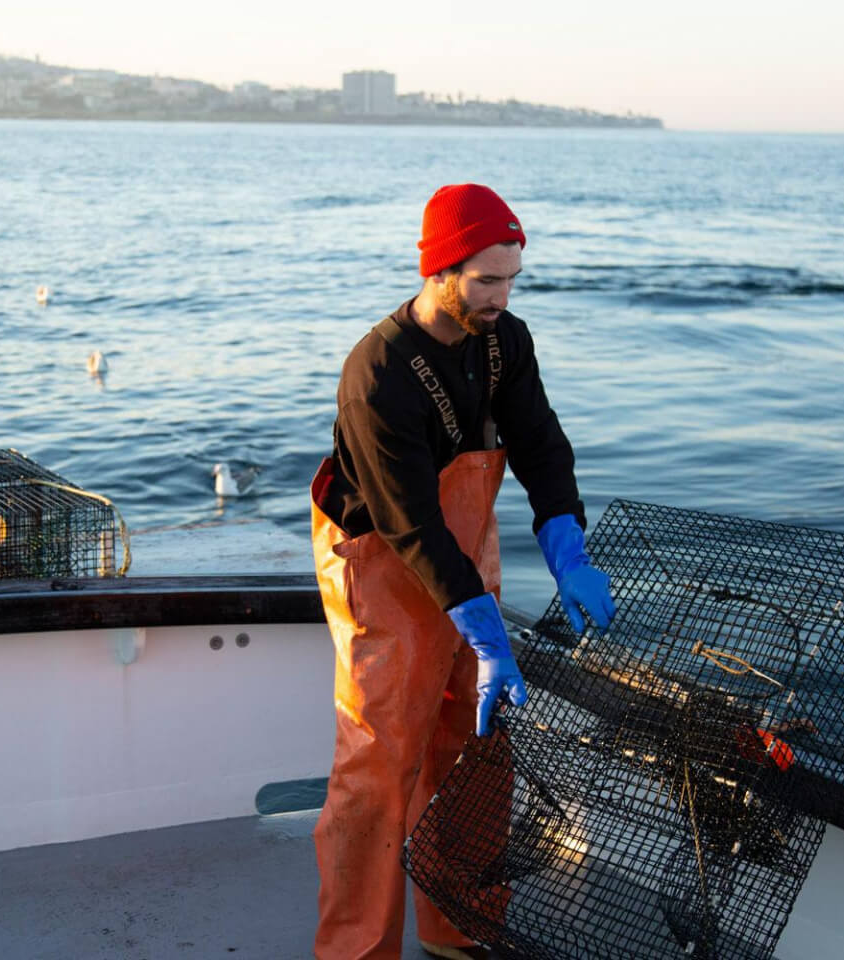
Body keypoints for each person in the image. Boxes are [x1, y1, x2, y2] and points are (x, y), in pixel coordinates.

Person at [309, 183, 617, 959]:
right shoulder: (377, 373)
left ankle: (461, 925)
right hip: (381, 558)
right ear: (440, 269)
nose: (502, 295)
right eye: (487, 279)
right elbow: (409, 523)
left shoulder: (503, 339)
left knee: (477, 743)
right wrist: (484, 630)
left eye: (513, 277)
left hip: (466, 549)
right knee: (380, 760)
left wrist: (566, 540)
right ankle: (355, 947)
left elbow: (541, 445)